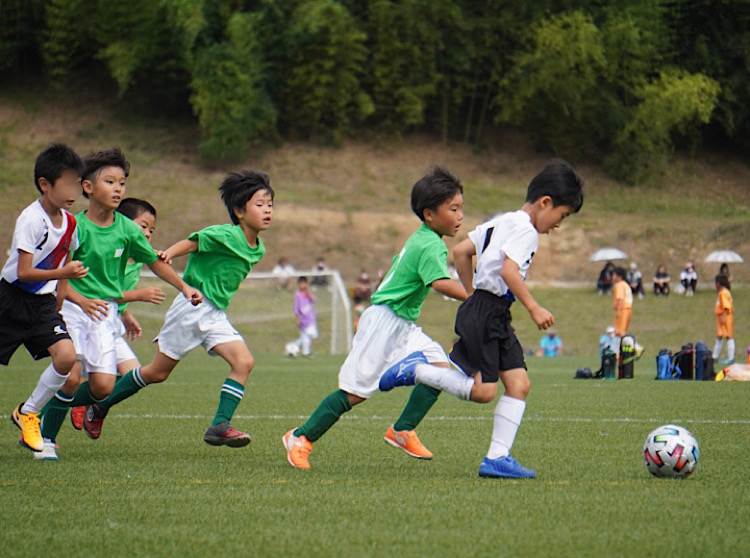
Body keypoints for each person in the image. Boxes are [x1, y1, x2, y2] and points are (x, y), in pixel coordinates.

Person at [380, 159, 584, 479]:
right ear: (546, 202)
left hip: (490, 312)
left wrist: (472, 293)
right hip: (488, 313)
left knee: (519, 384)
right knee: (484, 392)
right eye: (562, 215)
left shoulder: (502, 221)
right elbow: (509, 272)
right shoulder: (527, 231)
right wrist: (533, 307)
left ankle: (497, 458)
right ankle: (417, 370)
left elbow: (461, 251)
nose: (558, 224)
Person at [282, 166, 468, 470]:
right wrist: (476, 297)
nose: (460, 216)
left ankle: (402, 430)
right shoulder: (431, 244)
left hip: (401, 324)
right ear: (429, 214)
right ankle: (301, 437)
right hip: (384, 321)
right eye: (453, 209)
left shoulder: (423, 238)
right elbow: (439, 283)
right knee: (355, 392)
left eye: (460, 208)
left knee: (439, 367)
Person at [77, 170, 273, 448]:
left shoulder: (258, 248)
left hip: (214, 313)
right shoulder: (225, 234)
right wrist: (168, 253)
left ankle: (220, 425)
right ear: (239, 211)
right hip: (191, 307)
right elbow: (193, 243)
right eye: (260, 204)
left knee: (244, 362)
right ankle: (97, 406)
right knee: (156, 373)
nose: (267, 210)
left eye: (270, 204)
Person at [36, 148, 203, 459]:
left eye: (122, 183)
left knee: (103, 387)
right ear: (87, 187)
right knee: (70, 376)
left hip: (104, 314)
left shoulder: (126, 230)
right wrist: (80, 300)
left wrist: (184, 287)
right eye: (110, 182)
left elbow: (154, 261)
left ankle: (38, 410)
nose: (118, 189)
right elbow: (58, 275)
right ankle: (44, 440)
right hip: (73, 308)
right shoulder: (73, 226)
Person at [3, 144, 87, 454]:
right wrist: (63, 272)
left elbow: (66, 256)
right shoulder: (31, 219)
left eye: (76, 184)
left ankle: (28, 413)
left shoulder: (71, 222)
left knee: (66, 357)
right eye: (66, 184)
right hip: (9, 299)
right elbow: (23, 272)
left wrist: (61, 295)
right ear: (44, 184)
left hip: (42, 304)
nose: (73, 191)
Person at [67, 198, 165, 444]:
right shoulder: (107, 251)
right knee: (80, 380)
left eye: (152, 230)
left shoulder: (138, 258)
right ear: (124, 225)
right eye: (143, 226)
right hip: (88, 318)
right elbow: (104, 291)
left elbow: (117, 296)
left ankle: (95, 406)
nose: (147, 233)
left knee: (132, 375)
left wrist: (126, 314)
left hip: (111, 322)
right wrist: (139, 295)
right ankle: (52, 406)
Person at [713, 274, 734, 365]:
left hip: (725, 317)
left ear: (718, 284)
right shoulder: (723, 292)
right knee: (719, 336)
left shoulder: (723, 293)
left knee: (728, 336)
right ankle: (715, 357)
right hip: (722, 317)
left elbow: (726, 306)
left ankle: (731, 358)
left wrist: (723, 317)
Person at [293, 276, 318, 357]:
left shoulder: (308, 294)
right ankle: (306, 352)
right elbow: (296, 307)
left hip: (311, 318)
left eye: (304, 284)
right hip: (303, 319)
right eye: (300, 284)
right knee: (306, 336)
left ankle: (296, 345)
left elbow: (314, 300)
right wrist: (297, 318)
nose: (302, 286)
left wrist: (308, 291)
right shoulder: (298, 295)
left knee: (311, 334)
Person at [612, 267, 633, 338]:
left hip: (622, 310)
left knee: (620, 332)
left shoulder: (619, 285)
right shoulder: (625, 284)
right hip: (628, 310)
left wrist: (618, 311)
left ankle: (633, 344)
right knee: (620, 331)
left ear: (619, 277)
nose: (612, 277)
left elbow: (620, 299)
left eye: (614, 275)